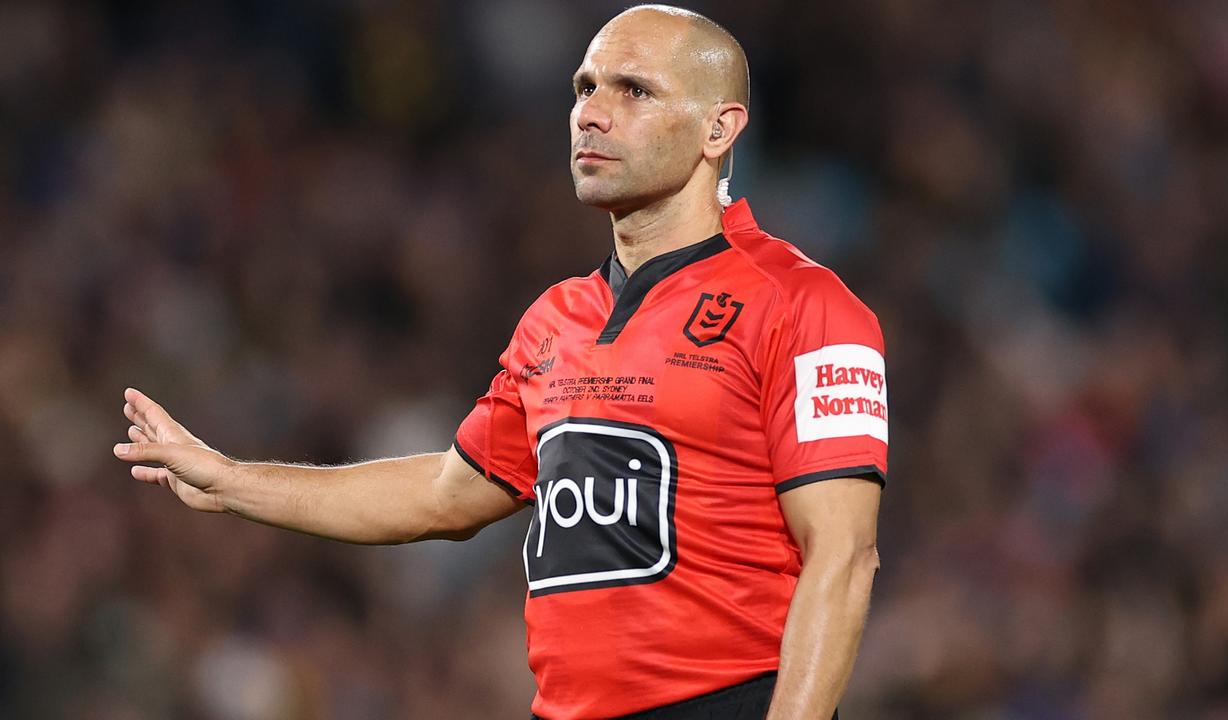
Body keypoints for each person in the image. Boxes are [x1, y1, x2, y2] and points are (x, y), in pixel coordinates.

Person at [112, 5, 886, 719]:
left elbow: (843, 558)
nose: (592, 111)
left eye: (635, 90)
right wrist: (233, 479)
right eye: (584, 86)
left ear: (719, 129)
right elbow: (445, 496)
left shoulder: (804, 306)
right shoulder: (555, 321)